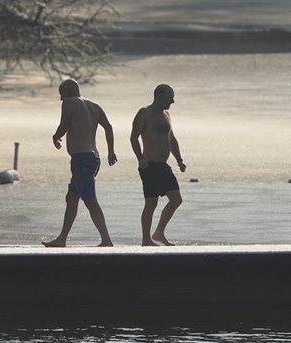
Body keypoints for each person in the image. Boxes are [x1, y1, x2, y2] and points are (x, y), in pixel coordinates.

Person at [42, 79, 117, 247]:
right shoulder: (94, 106)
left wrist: (56, 136)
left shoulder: (69, 103)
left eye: (61, 94)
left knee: (90, 199)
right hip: (93, 158)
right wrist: (111, 151)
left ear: (68, 91)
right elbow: (109, 127)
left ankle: (106, 240)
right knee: (72, 197)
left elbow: (64, 123)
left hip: (82, 159)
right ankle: (62, 239)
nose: (61, 99)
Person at [130, 84, 186, 246]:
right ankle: (146, 239)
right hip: (150, 166)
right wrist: (140, 158)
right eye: (170, 97)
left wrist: (179, 160)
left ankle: (159, 233)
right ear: (160, 95)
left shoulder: (166, 114)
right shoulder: (144, 113)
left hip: (163, 166)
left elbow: (172, 139)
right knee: (151, 202)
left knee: (176, 199)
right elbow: (133, 138)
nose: (173, 101)